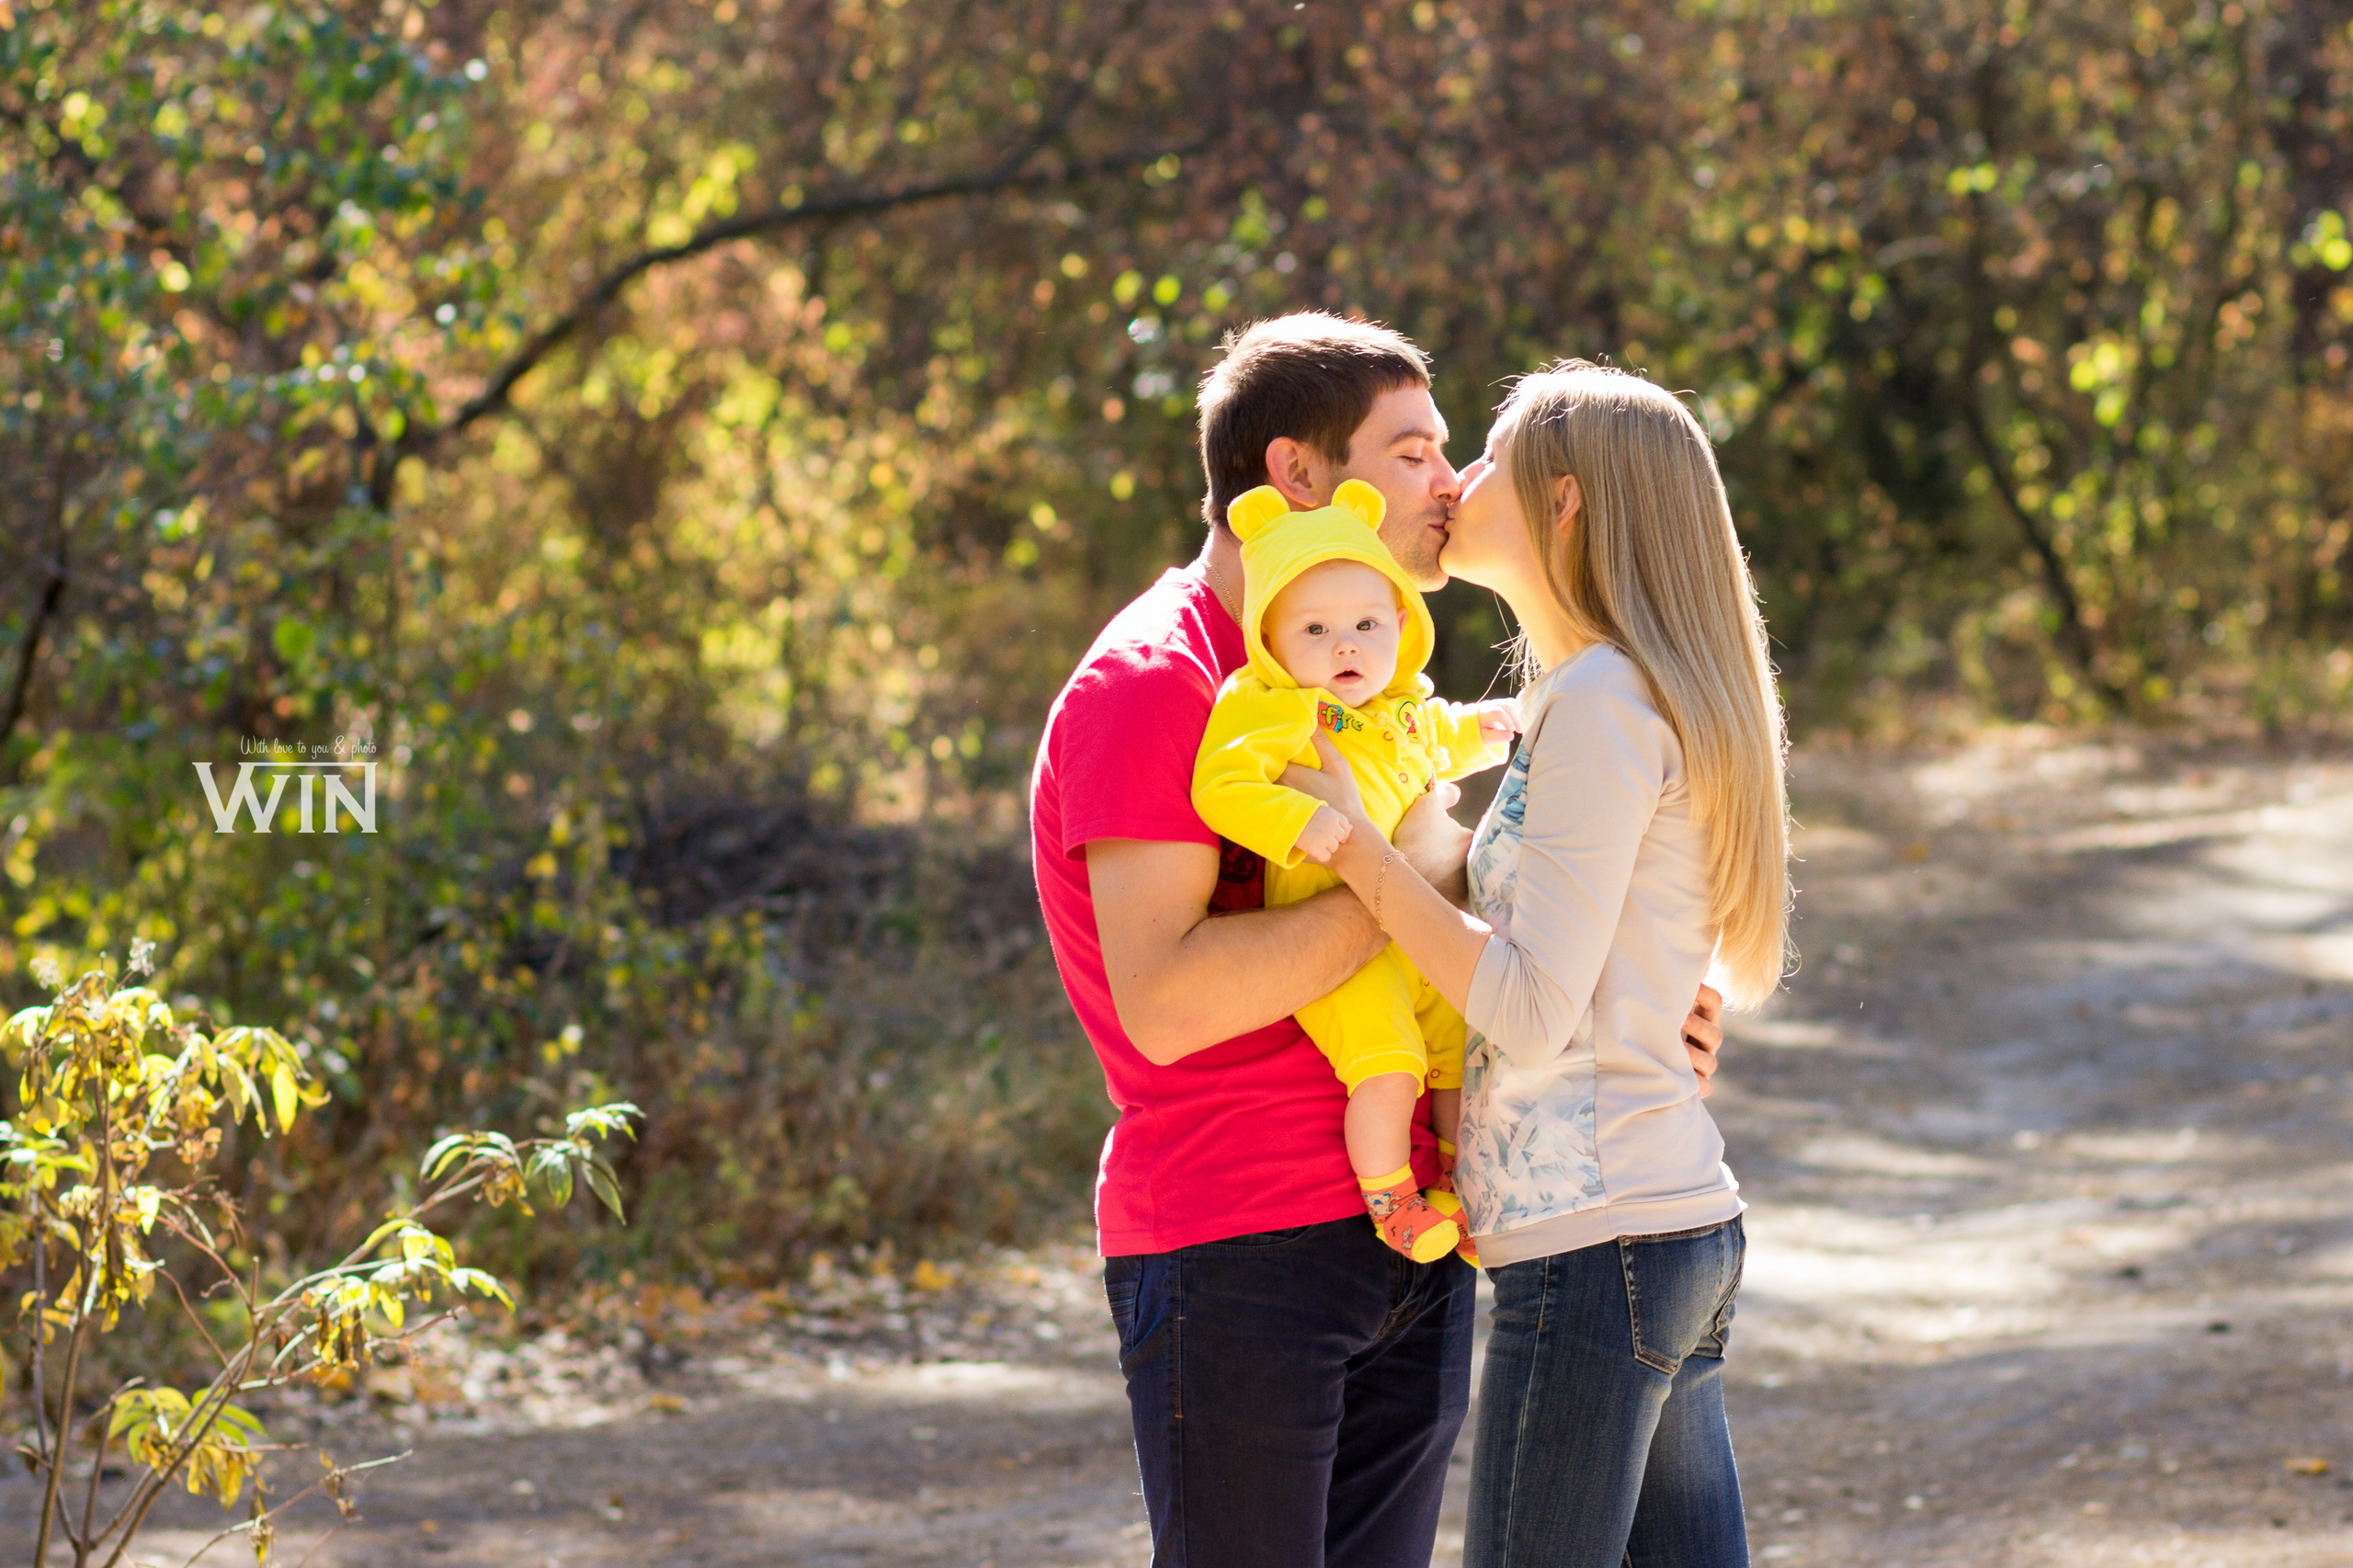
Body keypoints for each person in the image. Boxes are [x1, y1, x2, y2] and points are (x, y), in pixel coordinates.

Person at [1028, 316, 1728, 1568]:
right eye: (1413, 453)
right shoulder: (1158, 684)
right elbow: (1169, 1000)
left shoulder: (1372, 674)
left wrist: (1618, 990)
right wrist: (1394, 879)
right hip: (1239, 1246)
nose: (1449, 485)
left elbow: (1497, 904)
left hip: (1415, 1221)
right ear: (1300, 478)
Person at [1294, 360, 1790, 1568]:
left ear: (1564, 500)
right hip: (1652, 1228)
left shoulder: (1606, 702)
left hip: (1598, 1245)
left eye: (1491, 458)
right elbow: (1574, 932)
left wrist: (1354, 850)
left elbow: (1523, 1000)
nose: (1459, 479)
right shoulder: (1604, 692)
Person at [1191, 478, 1518, 1265]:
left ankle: (1459, 1187)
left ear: (1400, 625)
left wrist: (1482, 730)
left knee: (1457, 1055)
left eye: (1367, 624)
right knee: (1388, 1066)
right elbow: (1220, 786)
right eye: (1316, 629)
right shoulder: (1270, 704)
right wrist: (1300, 821)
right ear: (1272, 639)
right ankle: (1393, 1200)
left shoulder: (1401, 704)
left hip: (1412, 922)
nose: (1347, 646)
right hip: (1331, 938)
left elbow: (1438, 739)